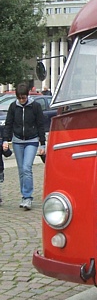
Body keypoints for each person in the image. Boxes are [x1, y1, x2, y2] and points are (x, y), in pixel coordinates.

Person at [2, 82, 46, 211]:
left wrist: (42, 143)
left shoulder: (35, 107)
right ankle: (24, 195)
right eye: (20, 97)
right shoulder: (13, 107)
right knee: (21, 170)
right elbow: (8, 124)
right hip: (17, 141)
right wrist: (5, 140)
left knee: (27, 168)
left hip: (32, 140)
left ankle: (28, 197)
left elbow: (40, 125)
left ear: (27, 95)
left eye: (24, 97)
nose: (22, 100)